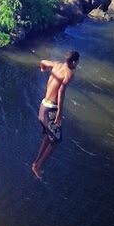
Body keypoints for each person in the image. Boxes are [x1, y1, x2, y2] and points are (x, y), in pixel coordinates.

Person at [32, 50, 80, 180]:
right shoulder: (69, 74)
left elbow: (42, 62)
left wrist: (42, 68)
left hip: (43, 107)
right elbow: (61, 92)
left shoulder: (57, 65)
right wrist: (59, 113)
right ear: (74, 62)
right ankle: (37, 165)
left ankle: (36, 162)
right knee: (56, 140)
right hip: (51, 110)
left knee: (49, 136)